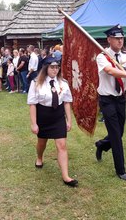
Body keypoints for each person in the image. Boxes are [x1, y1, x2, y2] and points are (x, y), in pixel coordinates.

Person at [94, 24, 126, 181]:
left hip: (120, 99)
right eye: (117, 38)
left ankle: (102, 144)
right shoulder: (102, 56)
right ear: (109, 39)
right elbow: (110, 71)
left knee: (119, 132)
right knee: (115, 134)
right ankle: (120, 169)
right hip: (107, 100)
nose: (120, 41)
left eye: (122, 38)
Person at [27, 56, 78, 187]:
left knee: (62, 145)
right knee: (41, 143)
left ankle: (66, 176)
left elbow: (67, 102)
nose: (55, 70)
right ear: (45, 68)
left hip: (58, 116)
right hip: (43, 116)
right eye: (52, 67)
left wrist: (69, 120)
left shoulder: (63, 83)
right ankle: (39, 157)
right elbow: (32, 104)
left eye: (57, 67)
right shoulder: (36, 82)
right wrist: (34, 123)